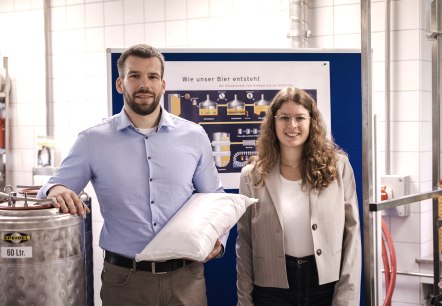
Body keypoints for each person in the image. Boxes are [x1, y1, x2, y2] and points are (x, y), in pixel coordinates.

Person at [37, 44, 226, 306]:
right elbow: (51, 186)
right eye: (134, 75)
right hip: (126, 280)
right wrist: (56, 189)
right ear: (120, 83)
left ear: (162, 84)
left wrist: (219, 240)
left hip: (186, 277)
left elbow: (213, 197)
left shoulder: (193, 136)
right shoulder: (93, 140)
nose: (144, 84)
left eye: (152, 77)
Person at [236, 87, 361, 306]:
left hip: (325, 286)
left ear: (311, 122)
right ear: (273, 122)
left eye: (300, 118)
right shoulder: (252, 175)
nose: (292, 125)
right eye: (284, 117)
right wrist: (244, 299)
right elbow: (245, 242)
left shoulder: (338, 167)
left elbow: (352, 235)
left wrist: (347, 298)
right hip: (270, 290)